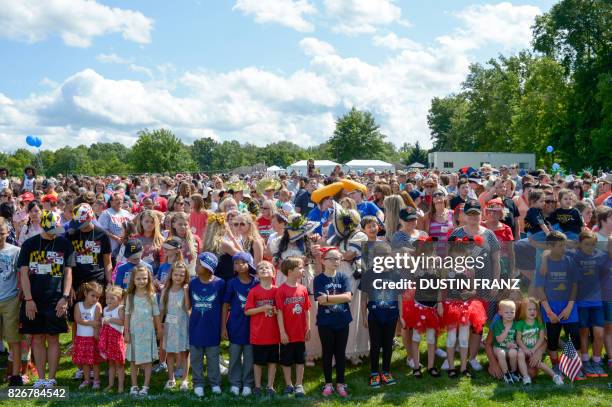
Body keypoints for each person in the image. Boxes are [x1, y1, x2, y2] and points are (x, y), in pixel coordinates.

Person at [18, 210, 74, 388]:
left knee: (53, 338)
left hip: (56, 299)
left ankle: (51, 378)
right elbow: (24, 274)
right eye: (50, 230)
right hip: (34, 298)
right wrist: (28, 299)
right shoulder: (29, 244)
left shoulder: (64, 244)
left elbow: (68, 272)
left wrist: (65, 297)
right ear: (42, 225)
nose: (53, 233)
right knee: (38, 338)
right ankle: (41, 378)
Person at [537, 231, 583, 380]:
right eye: (560, 245)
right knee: (552, 339)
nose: (564, 248)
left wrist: (569, 307)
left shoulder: (569, 261)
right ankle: (556, 366)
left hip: (569, 308)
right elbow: (540, 289)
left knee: (574, 337)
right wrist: (549, 312)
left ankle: (575, 366)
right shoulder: (543, 264)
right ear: (550, 246)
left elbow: (575, 286)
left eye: (565, 245)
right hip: (551, 310)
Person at [359, 243, 403, 387]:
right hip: (375, 316)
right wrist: (364, 317)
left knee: (388, 344)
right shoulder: (369, 274)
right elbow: (364, 297)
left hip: (391, 315)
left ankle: (386, 371)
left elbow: (400, 297)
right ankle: (373, 373)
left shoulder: (395, 273)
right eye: (380, 255)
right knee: (375, 345)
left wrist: (400, 316)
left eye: (386, 255)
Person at [313, 247, 352, 398]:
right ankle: (328, 383)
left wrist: (328, 298)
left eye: (338, 258)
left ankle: (341, 383)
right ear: (323, 261)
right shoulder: (319, 279)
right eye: (332, 259)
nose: (336, 261)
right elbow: (320, 300)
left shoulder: (343, 277)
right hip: (326, 322)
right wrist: (339, 297)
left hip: (342, 321)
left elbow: (348, 297)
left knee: (340, 353)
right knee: (327, 353)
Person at [572, 231, 608, 377]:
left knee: (599, 334)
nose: (590, 247)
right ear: (580, 243)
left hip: (597, 302)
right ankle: (586, 361)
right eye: (586, 244)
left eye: (592, 244)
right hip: (581, 302)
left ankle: (597, 361)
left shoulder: (601, 256)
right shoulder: (574, 256)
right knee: (584, 332)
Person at [222, 252, 258, 397]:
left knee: (249, 357)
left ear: (249, 264)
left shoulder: (256, 282)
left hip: (252, 327)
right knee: (234, 356)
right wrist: (223, 326)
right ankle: (235, 383)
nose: (239, 265)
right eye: (236, 263)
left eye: (242, 262)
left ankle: (248, 383)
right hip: (235, 325)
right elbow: (225, 305)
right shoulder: (231, 283)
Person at [189, 252, 225, 397]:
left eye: (198, 264)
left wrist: (222, 327)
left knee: (213, 358)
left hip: (213, 328)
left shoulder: (220, 283)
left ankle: (215, 383)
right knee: (196, 357)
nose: (196, 266)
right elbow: (188, 305)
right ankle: (198, 383)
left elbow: (224, 307)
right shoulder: (192, 283)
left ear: (207, 267)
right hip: (196, 327)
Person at [275, 257, 311, 398]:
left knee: (300, 359)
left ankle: (299, 384)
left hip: (300, 332)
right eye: (300, 268)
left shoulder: (303, 289)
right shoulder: (281, 290)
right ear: (290, 271)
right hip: (287, 334)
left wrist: (308, 328)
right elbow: (279, 312)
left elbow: (307, 309)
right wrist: (282, 332)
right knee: (286, 360)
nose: (303, 270)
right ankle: (288, 384)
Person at [124, 265, 162, 396]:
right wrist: (126, 332)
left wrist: (159, 331)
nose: (141, 281)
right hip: (134, 333)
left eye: (144, 278)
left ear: (149, 279)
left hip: (147, 333)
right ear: (133, 280)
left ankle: (145, 386)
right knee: (133, 361)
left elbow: (156, 314)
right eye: (138, 278)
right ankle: (134, 385)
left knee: (147, 361)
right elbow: (127, 315)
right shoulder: (130, 296)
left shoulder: (151, 295)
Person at [245, 261, 280, 397]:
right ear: (257, 274)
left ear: (273, 272)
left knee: (272, 361)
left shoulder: (277, 290)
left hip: (274, 334)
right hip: (258, 334)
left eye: (267, 267)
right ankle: (258, 387)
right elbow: (247, 311)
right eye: (260, 268)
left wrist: (276, 311)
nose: (264, 269)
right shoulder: (254, 291)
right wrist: (262, 308)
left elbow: (281, 310)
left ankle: (270, 386)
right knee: (258, 362)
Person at [515, 297, 564, 385]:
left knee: (538, 363)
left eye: (534, 309)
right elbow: (518, 339)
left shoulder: (539, 324)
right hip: (524, 349)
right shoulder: (520, 324)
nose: (532, 311)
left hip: (534, 349)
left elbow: (541, 338)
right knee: (520, 354)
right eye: (529, 309)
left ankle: (555, 376)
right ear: (523, 311)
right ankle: (526, 377)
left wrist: (535, 349)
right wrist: (525, 348)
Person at [160, 261, 191, 391]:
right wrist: (160, 326)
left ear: (185, 276)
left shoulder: (186, 290)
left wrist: (185, 292)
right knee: (170, 352)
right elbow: (162, 309)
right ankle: (171, 378)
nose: (178, 277)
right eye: (176, 274)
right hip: (170, 325)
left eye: (181, 275)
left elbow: (188, 307)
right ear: (171, 274)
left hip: (183, 324)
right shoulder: (166, 291)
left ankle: (185, 379)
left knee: (184, 352)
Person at [0, 216, 22, 386]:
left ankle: (15, 375)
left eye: (1, 233)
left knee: (13, 339)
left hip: (10, 300)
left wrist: (20, 293)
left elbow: (22, 274)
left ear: (7, 233)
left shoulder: (15, 251)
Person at [72, 281, 103, 390]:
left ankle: (96, 380)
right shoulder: (78, 305)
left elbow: (97, 322)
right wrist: (90, 322)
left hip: (93, 338)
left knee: (95, 361)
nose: (95, 299)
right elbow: (78, 320)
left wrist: (96, 333)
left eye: (97, 297)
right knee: (85, 361)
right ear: (85, 293)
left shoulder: (97, 306)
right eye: (93, 296)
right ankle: (86, 380)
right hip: (81, 337)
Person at [98, 285, 125, 393]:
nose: (109, 300)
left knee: (119, 364)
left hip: (117, 338)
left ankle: (121, 385)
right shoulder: (105, 309)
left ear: (119, 299)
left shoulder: (120, 309)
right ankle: (111, 384)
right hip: (107, 338)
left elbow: (123, 322)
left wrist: (110, 320)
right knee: (111, 363)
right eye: (107, 298)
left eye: (112, 298)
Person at [490, 300, 520, 384]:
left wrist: (514, 344)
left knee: (514, 352)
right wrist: (506, 329)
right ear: (500, 312)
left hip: (509, 347)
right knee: (501, 353)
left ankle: (513, 372)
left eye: (512, 312)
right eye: (506, 312)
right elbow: (499, 340)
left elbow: (517, 338)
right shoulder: (498, 324)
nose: (509, 314)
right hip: (498, 346)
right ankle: (506, 373)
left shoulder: (515, 324)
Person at [98, 192, 133, 260]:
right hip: (111, 248)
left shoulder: (126, 213)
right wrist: (117, 238)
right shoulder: (106, 213)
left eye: (121, 199)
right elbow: (103, 230)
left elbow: (131, 227)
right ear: (111, 202)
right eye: (117, 199)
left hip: (125, 247)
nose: (119, 201)